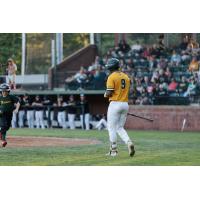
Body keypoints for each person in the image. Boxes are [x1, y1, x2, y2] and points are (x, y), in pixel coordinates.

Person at [104, 58, 135, 157]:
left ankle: (113, 151)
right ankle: (128, 142)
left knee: (111, 128)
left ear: (110, 67)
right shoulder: (126, 76)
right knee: (120, 127)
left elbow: (109, 92)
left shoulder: (111, 77)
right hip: (125, 104)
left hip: (115, 104)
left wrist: (105, 94)